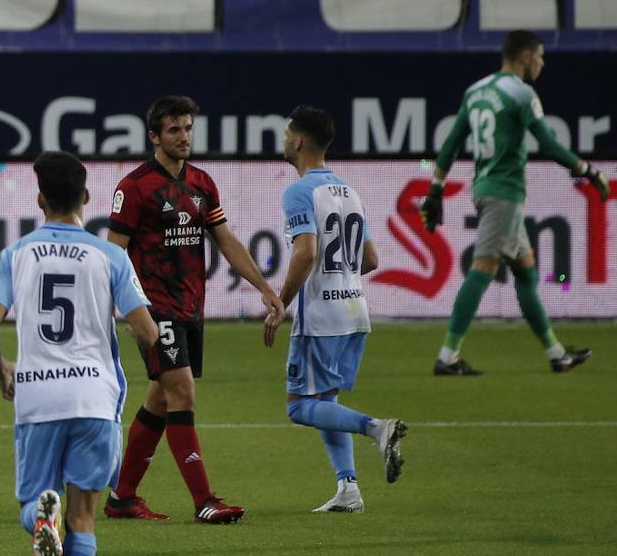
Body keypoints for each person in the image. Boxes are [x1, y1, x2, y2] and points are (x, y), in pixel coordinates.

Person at [0, 151, 158, 556]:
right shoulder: (110, 257)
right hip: (95, 397)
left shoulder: (17, 255)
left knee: (33, 505)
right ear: (87, 198)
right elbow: (146, 330)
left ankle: (39, 515)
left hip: (38, 395)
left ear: (39, 199)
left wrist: (3, 370)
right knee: (85, 517)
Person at [103, 95, 284, 524]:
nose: (184, 137)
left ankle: (122, 497)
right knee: (182, 391)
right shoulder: (133, 188)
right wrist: (127, 310)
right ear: (154, 136)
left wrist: (264, 287)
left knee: (163, 400)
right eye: (173, 130)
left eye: (187, 128)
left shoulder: (202, 183)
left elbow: (225, 239)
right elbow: (113, 254)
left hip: (190, 307)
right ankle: (204, 500)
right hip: (153, 309)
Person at [423, 29, 610, 376]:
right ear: (525, 55)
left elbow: (450, 144)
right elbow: (551, 146)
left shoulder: (475, 90)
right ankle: (447, 356)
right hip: (504, 192)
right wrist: (589, 170)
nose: (542, 63)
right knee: (483, 268)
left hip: (485, 188)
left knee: (526, 269)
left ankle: (556, 354)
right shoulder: (522, 94)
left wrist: (435, 189)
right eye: (539, 56)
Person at [264, 106, 407, 513]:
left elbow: (305, 251)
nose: (284, 139)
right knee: (326, 402)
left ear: (300, 142)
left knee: (299, 406)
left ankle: (378, 429)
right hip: (354, 310)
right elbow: (372, 259)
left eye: (287, 133)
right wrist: (341, 273)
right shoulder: (349, 191)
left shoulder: (299, 191)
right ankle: (348, 489)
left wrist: (281, 303)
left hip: (322, 317)